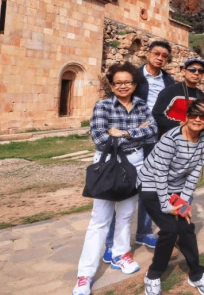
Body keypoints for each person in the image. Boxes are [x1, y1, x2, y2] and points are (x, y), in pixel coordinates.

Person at [72, 62, 157, 295]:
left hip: (135, 163)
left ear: (134, 84)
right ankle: (85, 274)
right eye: (117, 82)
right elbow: (100, 139)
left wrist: (124, 132)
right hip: (108, 163)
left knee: (127, 213)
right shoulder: (102, 106)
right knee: (100, 219)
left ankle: (120, 254)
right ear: (111, 84)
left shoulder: (141, 105)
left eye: (127, 82)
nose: (122, 86)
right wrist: (135, 132)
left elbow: (152, 132)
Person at [103, 41, 174, 263]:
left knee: (148, 188)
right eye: (156, 53)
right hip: (129, 139)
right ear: (147, 54)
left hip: (156, 139)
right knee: (120, 189)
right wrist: (132, 130)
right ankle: (111, 243)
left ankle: (144, 233)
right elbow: (119, 102)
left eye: (164, 55)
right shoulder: (133, 77)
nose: (160, 58)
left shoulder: (168, 81)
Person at [139, 99, 204, 295]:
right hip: (151, 185)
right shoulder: (171, 138)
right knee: (169, 228)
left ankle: (196, 274)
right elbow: (159, 173)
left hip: (175, 188)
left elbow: (195, 171)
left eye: (203, 116)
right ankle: (153, 274)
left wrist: (183, 201)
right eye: (193, 114)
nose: (197, 119)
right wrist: (166, 205)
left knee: (186, 227)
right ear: (186, 116)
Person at [152, 58, 204, 135]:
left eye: (200, 71)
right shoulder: (170, 92)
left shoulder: (202, 96)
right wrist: (179, 124)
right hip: (170, 139)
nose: (196, 73)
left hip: (193, 140)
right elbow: (156, 116)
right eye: (192, 69)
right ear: (184, 72)